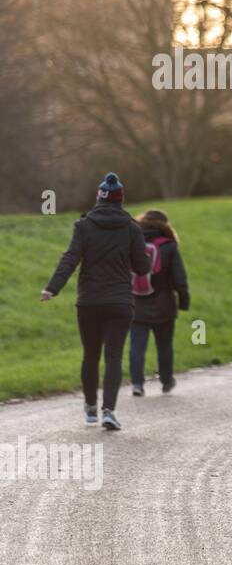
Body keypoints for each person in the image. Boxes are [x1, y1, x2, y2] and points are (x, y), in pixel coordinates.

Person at [41, 172, 149, 431]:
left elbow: (70, 259)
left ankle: (90, 408)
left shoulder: (84, 226)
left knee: (90, 355)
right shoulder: (132, 228)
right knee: (114, 357)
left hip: (89, 301)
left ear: (99, 198)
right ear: (120, 200)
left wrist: (52, 288)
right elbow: (143, 268)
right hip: (120, 301)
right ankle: (108, 411)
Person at [129, 209, 190, 397]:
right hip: (163, 303)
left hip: (135, 302)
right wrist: (183, 299)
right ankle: (166, 381)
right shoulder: (169, 246)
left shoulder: (131, 241)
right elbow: (179, 276)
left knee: (137, 346)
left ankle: (137, 384)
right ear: (165, 225)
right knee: (164, 345)